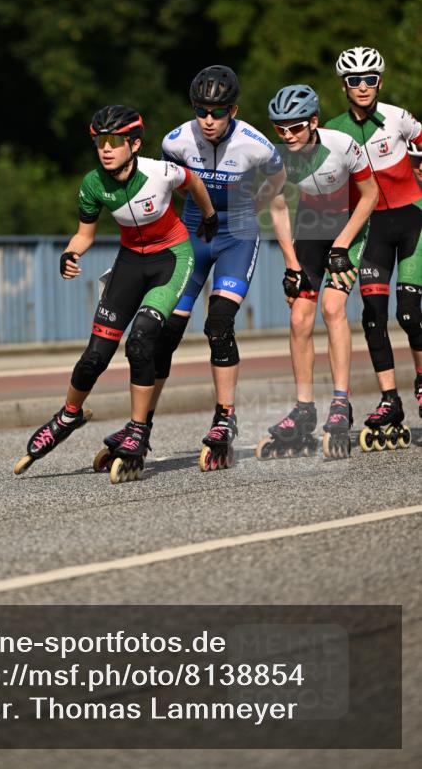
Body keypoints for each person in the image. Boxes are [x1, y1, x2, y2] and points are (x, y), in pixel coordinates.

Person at [13, 104, 217, 483]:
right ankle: (70, 414)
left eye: (113, 142)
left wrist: (208, 216)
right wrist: (70, 253)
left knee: (140, 342)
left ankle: (138, 429)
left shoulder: (159, 171)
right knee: (95, 355)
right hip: (130, 263)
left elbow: (194, 183)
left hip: (172, 259)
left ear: (134, 144)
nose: (105, 149)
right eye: (99, 142)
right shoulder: (93, 184)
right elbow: (85, 234)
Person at [150, 65, 293, 471]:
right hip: (194, 232)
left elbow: (278, 179)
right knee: (166, 332)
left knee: (219, 323)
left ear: (234, 109)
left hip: (237, 234)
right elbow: (167, 185)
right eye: (201, 111)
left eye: (218, 112)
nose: (209, 121)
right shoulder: (176, 141)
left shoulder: (256, 144)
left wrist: (254, 209)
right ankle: (141, 426)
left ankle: (224, 417)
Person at [257, 84, 379, 460]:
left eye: (295, 127)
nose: (288, 136)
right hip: (311, 228)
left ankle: (341, 400)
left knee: (331, 308)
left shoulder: (342, 146)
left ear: (313, 122)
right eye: (280, 129)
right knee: (299, 318)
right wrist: (291, 264)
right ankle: (305, 407)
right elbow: (277, 209)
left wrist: (342, 244)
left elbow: (371, 196)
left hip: (351, 224)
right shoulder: (278, 159)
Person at [328, 47, 422, 443]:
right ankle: (389, 399)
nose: (362, 87)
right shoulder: (331, 131)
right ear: (344, 86)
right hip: (372, 229)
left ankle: (420, 382)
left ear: (380, 82)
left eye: (370, 80)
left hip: (412, 220)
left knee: (409, 313)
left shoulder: (398, 118)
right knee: (372, 314)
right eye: (354, 80)